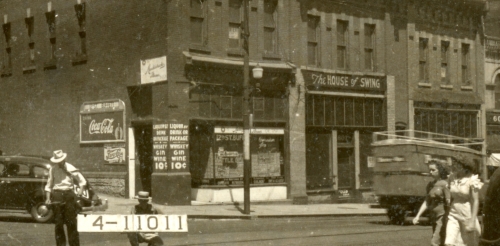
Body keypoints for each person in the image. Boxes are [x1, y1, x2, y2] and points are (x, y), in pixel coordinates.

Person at [45, 150, 86, 246]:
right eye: (57, 161)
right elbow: (49, 185)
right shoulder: (53, 169)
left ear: (64, 159)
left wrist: (80, 190)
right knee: (58, 224)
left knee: (71, 222)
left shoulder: (70, 167)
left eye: (60, 160)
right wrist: (48, 198)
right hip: (57, 195)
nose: (59, 163)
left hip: (68, 195)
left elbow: (82, 180)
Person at [445, 154, 483, 246]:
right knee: (449, 242)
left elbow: (475, 201)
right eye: (452, 163)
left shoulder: (472, 179)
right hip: (453, 214)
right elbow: (448, 189)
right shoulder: (451, 177)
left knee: (468, 243)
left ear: (463, 165)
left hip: (467, 214)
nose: (452, 166)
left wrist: (472, 221)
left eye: (455, 164)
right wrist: (448, 199)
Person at [413, 161, 451, 246]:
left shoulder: (445, 184)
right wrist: (417, 216)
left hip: (442, 217)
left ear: (440, 170)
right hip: (433, 217)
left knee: (434, 242)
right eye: (429, 170)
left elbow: (448, 201)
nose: (430, 172)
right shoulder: (430, 185)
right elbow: (427, 201)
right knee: (440, 241)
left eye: (433, 170)